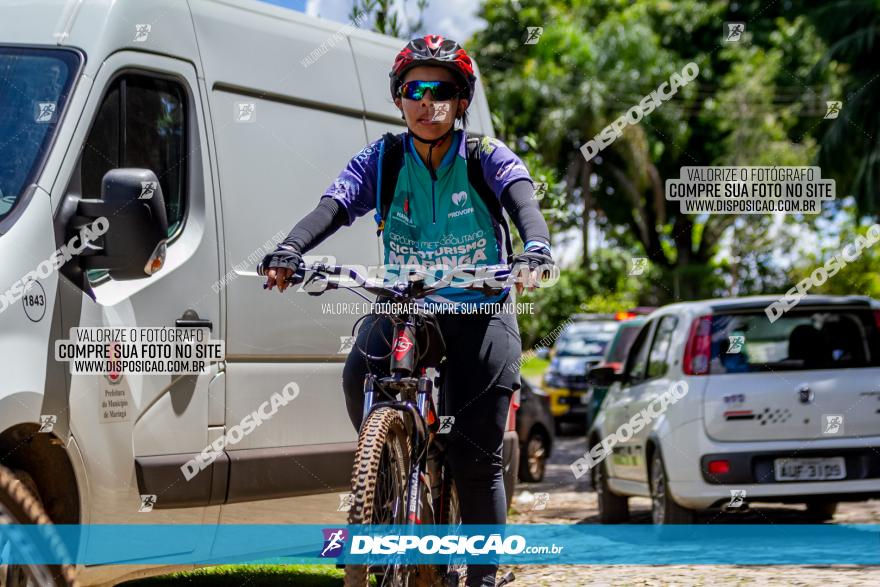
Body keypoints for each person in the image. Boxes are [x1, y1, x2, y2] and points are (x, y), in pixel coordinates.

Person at [260, 34, 553, 586]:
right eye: (415, 88)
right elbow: (334, 206)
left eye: (443, 90)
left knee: (476, 455)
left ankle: (483, 575)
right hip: (406, 309)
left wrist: (534, 248)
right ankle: (391, 467)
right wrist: (291, 249)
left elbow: (523, 203)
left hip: (480, 310)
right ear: (399, 97)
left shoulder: (487, 157)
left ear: (462, 101)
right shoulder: (384, 159)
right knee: (357, 373)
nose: (428, 101)